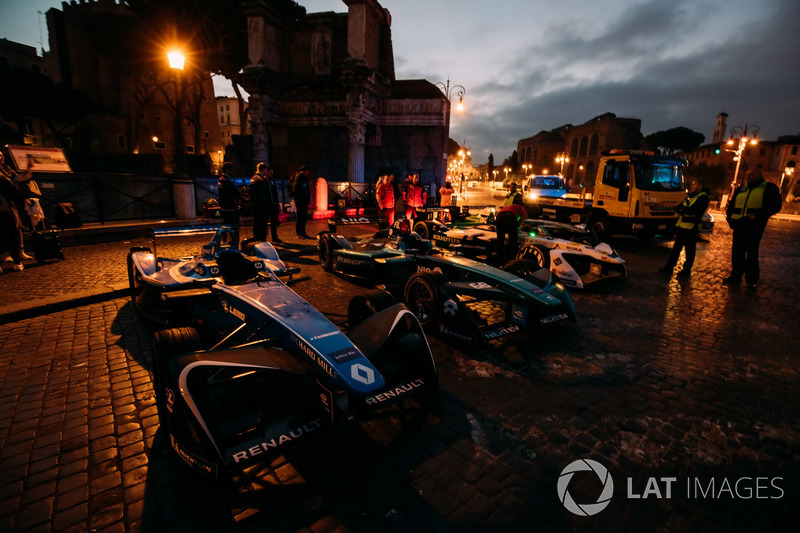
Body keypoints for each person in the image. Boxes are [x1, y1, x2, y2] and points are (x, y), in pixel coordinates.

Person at [722, 168, 782, 289]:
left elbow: (775, 205)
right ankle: (735, 276)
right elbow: (732, 204)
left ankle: (752, 280)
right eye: (748, 174)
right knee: (737, 253)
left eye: (752, 174)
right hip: (739, 224)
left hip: (754, 226)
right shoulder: (742, 188)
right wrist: (730, 218)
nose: (749, 176)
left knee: (751, 254)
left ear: (760, 175)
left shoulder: (768, 188)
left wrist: (759, 216)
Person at [658, 179, 710, 277]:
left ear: (700, 186)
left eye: (694, 184)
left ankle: (686, 270)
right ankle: (669, 267)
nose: (692, 185)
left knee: (689, 251)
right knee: (676, 249)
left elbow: (693, 211)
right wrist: (683, 210)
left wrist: (683, 210)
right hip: (682, 227)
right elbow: (680, 207)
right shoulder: (691, 195)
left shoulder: (703, 197)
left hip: (691, 228)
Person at [0, 153, 34, 271]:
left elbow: (16, 180)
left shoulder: (6, 169)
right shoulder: (2, 176)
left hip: (7, 204)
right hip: (5, 206)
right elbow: (14, 185)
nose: (2, 157)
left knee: (13, 231)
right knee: (10, 233)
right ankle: (14, 259)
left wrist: (27, 170)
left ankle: (18, 255)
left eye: (2, 155)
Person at [250, 163, 283, 244]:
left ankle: (272, 237)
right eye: (270, 172)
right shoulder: (262, 181)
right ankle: (261, 239)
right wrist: (265, 205)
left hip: (270, 204)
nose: (271, 174)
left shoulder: (270, 181)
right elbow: (263, 195)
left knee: (271, 222)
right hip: (265, 205)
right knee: (261, 223)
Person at [495, 195, 528, 261]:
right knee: (513, 239)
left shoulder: (509, 206)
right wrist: (518, 226)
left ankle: (499, 256)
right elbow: (523, 217)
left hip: (499, 216)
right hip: (509, 216)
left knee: (500, 238)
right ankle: (513, 258)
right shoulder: (521, 207)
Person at [290, 165, 313, 239]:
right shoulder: (299, 179)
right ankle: (299, 233)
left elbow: (306, 190)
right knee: (300, 217)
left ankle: (303, 232)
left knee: (303, 217)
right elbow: (296, 190)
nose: (308, 172)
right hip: (300, 201)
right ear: (303, 171)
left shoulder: (304, 179)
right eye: (307, 171)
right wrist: (301, 198)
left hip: (304, 201)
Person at [217, 162, 241, 227]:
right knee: (233, 225)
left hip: (226, 206)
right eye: (232, 170)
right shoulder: (226, 180)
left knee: (227, 225)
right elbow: (236, 191)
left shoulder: (222, 179)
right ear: (227, 170)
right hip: (231, 207)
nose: (233, 172)